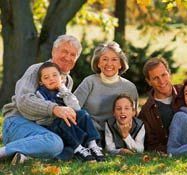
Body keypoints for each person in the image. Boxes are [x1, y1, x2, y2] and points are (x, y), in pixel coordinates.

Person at [1, 35, 83, 164]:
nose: (68, 57)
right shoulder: (37, 70)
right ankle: (3, 152)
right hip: (17, 123)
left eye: (73, 55)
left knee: (72, 146)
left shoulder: (68, 81)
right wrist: (54, 109)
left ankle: (23, 156)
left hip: (41, 130)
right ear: (53, 52)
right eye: (64, 52)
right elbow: (24, 100)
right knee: (55, 143)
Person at [36, 62, 105, 162]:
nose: (51, 79)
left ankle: (92, 145)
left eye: (55, 75)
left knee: (83, 114)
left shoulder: (63, 91)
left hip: (68, 124)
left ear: (61, 78)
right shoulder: (40, 94)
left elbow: (76, 107)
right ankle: (78, 148)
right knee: (64, 120)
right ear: (41, 82)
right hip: (52, 126)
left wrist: (63, 90)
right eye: (46, 77)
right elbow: (43, 114)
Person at [74, 41, 138, 146]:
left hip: (115, 134)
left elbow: (133, 117)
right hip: (89, 132)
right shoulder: (89, 82)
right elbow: (73, 108)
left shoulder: (129, 87)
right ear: (98, 63)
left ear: (120, 64)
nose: (109, 64)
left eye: (114, 59)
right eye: (104, 59)